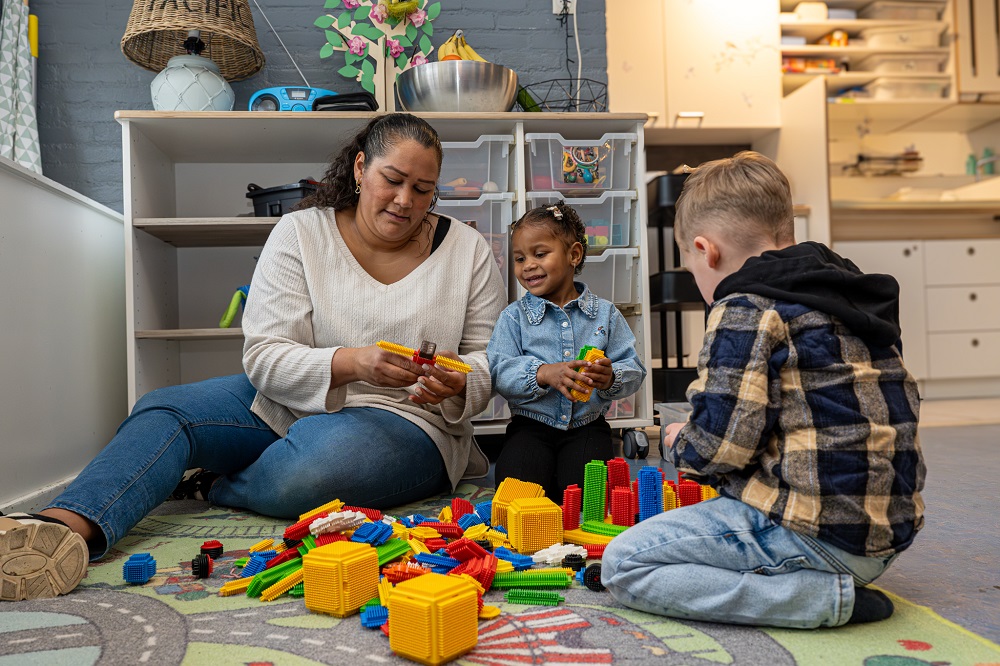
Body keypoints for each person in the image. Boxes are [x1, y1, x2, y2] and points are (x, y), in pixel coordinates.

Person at [0, 113, 508, 602]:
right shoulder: (300, 233)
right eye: (392, 180)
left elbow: (492, 361)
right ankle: (66, 527)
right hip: (287, 400)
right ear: (359, 168)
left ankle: (216, 484)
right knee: (166, 409)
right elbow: (263, 356)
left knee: (315, 471)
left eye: (423, 190)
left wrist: (460, 383)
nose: (405, 201)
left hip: (411, 421)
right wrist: (351, 362)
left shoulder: (467, 249)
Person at [601, 151, 925, 629]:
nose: (700, 285)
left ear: (705, 250)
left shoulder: (746, 307)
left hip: (818, 535)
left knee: (624, 564)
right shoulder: (843, 290)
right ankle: (831, 583)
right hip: (887, 533)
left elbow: (717, 452)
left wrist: (676, 442)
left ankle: (820, 600)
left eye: (693, 272)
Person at [487, 202, 646, 500]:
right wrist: (542, 373)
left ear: (574, 254)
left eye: (540, 254)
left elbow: (634, 369)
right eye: (520, 258)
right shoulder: (513, 317)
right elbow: (498, 372)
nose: (528, 265)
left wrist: (611, 378)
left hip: (587, 427)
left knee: (591, 496)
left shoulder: (606, 315)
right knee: (515, 492)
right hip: (530, 427)